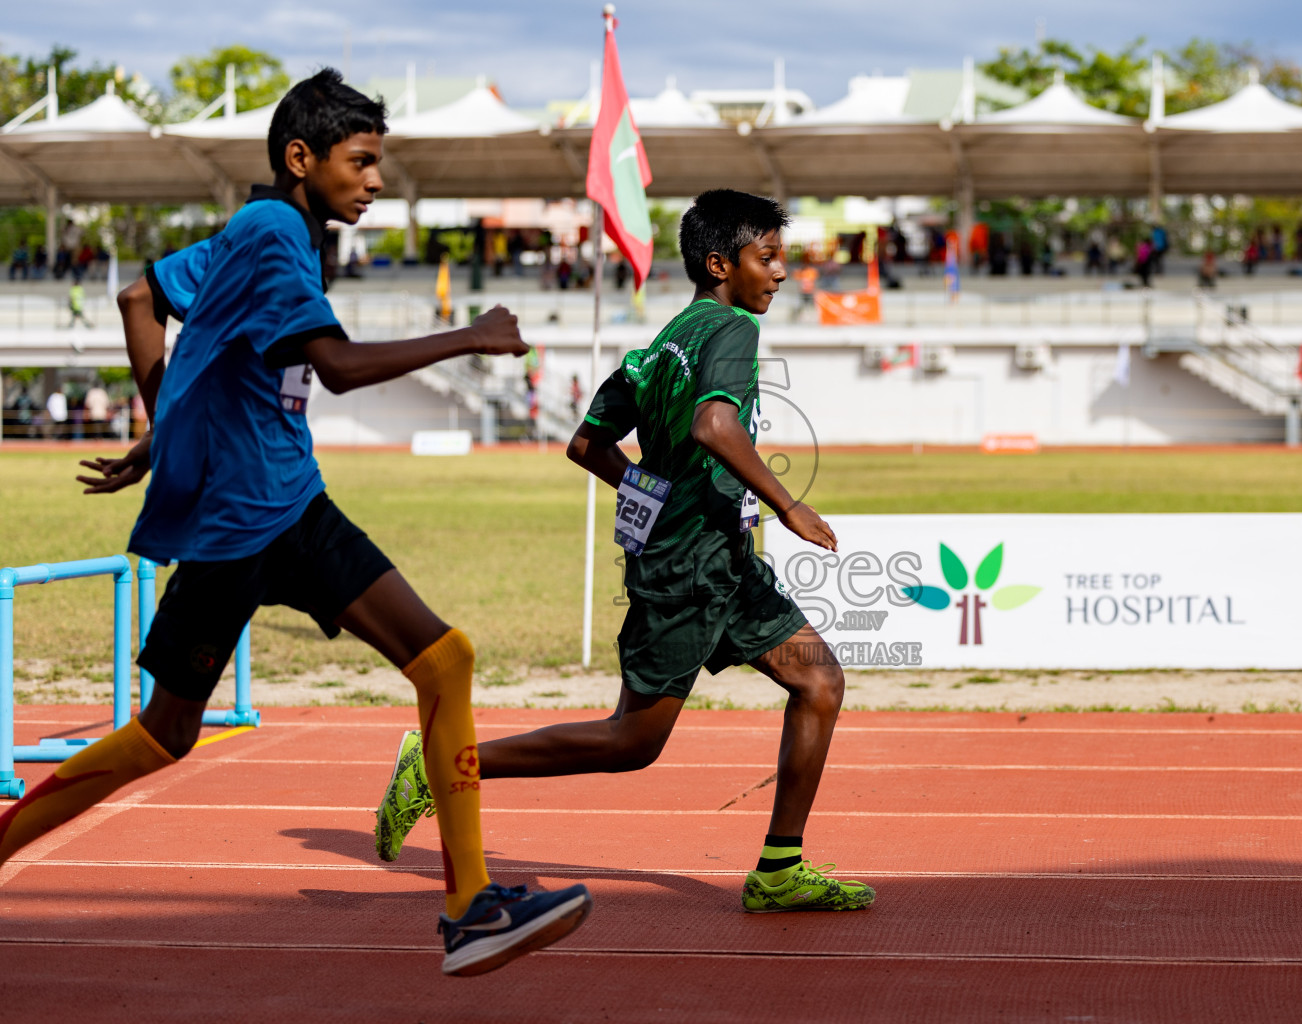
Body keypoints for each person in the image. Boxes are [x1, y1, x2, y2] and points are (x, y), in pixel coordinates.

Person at [0, 69, 591, 979]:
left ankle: (472, 905)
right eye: (361, 162)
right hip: (246, 522)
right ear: (301, 158)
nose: (377, 180)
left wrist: (168, 432)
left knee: (444, 658)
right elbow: (340, 368)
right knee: (167, 732)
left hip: (285, 502)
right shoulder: (277, 234)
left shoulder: (266, 231)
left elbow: (141, 300)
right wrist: (472, 336)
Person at [374, 189, 876, 916]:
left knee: (819, 681)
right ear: (719, 264)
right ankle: (439, 765)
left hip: (719, 558)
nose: (779, 274)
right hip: (689, 568)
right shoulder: (731, 330)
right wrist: (786, 502)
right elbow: (712, 426)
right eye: (766, 258)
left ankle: (778, 868)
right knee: (632, 741)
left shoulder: (658, 344)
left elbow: (586, 443)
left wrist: (648, 491)